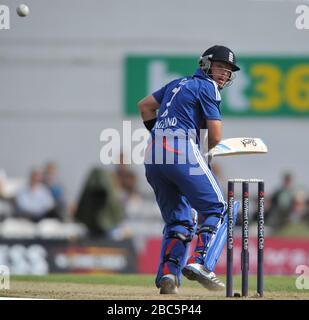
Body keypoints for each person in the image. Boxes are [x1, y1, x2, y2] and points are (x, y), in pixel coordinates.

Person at [138, 45, 240, 294]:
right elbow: (215, 134)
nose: (223, 74)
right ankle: (202, 262)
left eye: (228, 71)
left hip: (153, 155)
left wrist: (163, 137)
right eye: (219, 67)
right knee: (220, 207)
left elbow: (145, 106)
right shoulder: (208, 86)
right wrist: (200, 153)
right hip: (181, 151)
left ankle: (168, 276)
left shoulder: (175, 83)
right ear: (205, 64)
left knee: (180, 219)